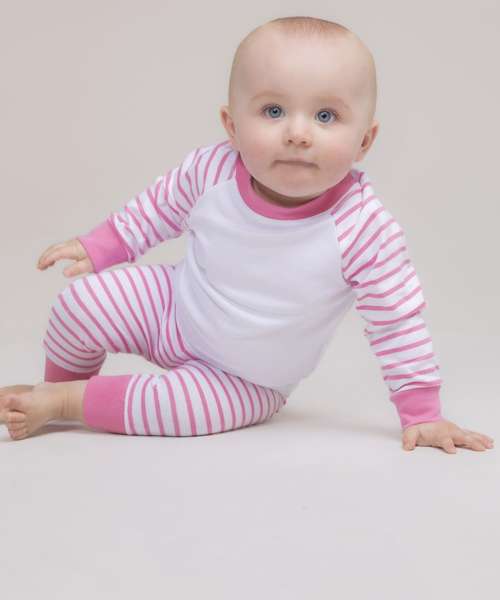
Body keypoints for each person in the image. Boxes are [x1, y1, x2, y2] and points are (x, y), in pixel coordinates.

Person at [0, 16, 494, 453]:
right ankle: (50, 392)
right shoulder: (213, 170)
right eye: (273, 111)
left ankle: (69, 402)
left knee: (175, 410)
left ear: (364, 140)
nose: (298, 133)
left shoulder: (364, 229)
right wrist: (101, 246)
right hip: (171, 309)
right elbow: (158, 207)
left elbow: (397, 323)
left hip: (245, 379)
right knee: (81, 303)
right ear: (232, 126)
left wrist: (422, 413)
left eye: (326, 116)